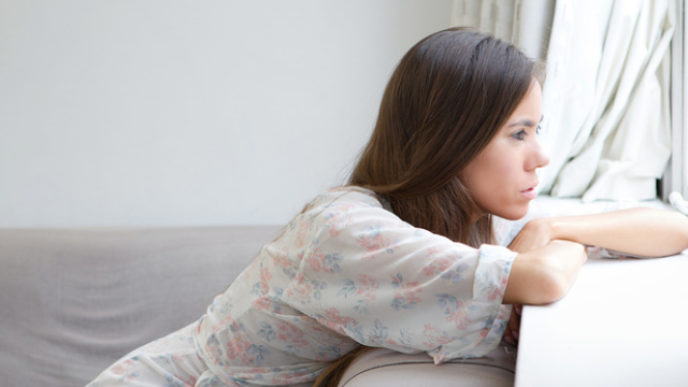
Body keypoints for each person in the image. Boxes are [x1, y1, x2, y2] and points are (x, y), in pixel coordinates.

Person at [88, 27, 688, 387]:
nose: (542, 157)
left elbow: (673, 229)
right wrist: (547, 241)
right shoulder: (347, 229)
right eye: (518, 134)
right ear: (450, 138)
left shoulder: (457, 224)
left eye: (538, 130)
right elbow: (541, 280)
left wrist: (554, 224)